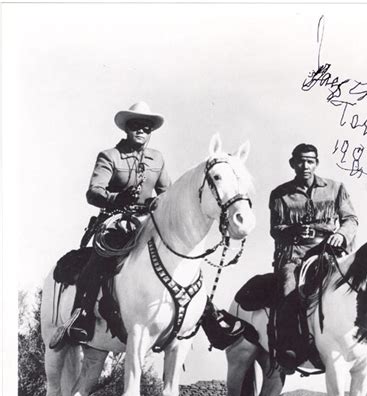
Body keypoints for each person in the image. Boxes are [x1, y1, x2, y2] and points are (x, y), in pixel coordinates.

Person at [50, 102, 244, 350]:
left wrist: (161, 204)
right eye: (135, 126)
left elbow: (168, 191)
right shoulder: (109, 156)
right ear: (126, 129)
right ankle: (81, 316)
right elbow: (93, 192)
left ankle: (209, 318)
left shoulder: (157, 158)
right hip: (116, 220)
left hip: (149, 219)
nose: (141, 130)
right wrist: (115, 199)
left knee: (183, 258)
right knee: (100, 257)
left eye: (146, 127)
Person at [269, 143, 367, 378]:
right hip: (295, 255)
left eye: (310, 161)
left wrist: (341, 234)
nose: (305, 165)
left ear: (316, 163)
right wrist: (294, 231)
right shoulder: (279, 194)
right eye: (300, 161)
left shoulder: (336, 189)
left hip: (330, 252)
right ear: (292, 164)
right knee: (287, 288)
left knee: (363, 287)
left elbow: (351, 219)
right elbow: (275, 229)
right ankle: (288, 348)